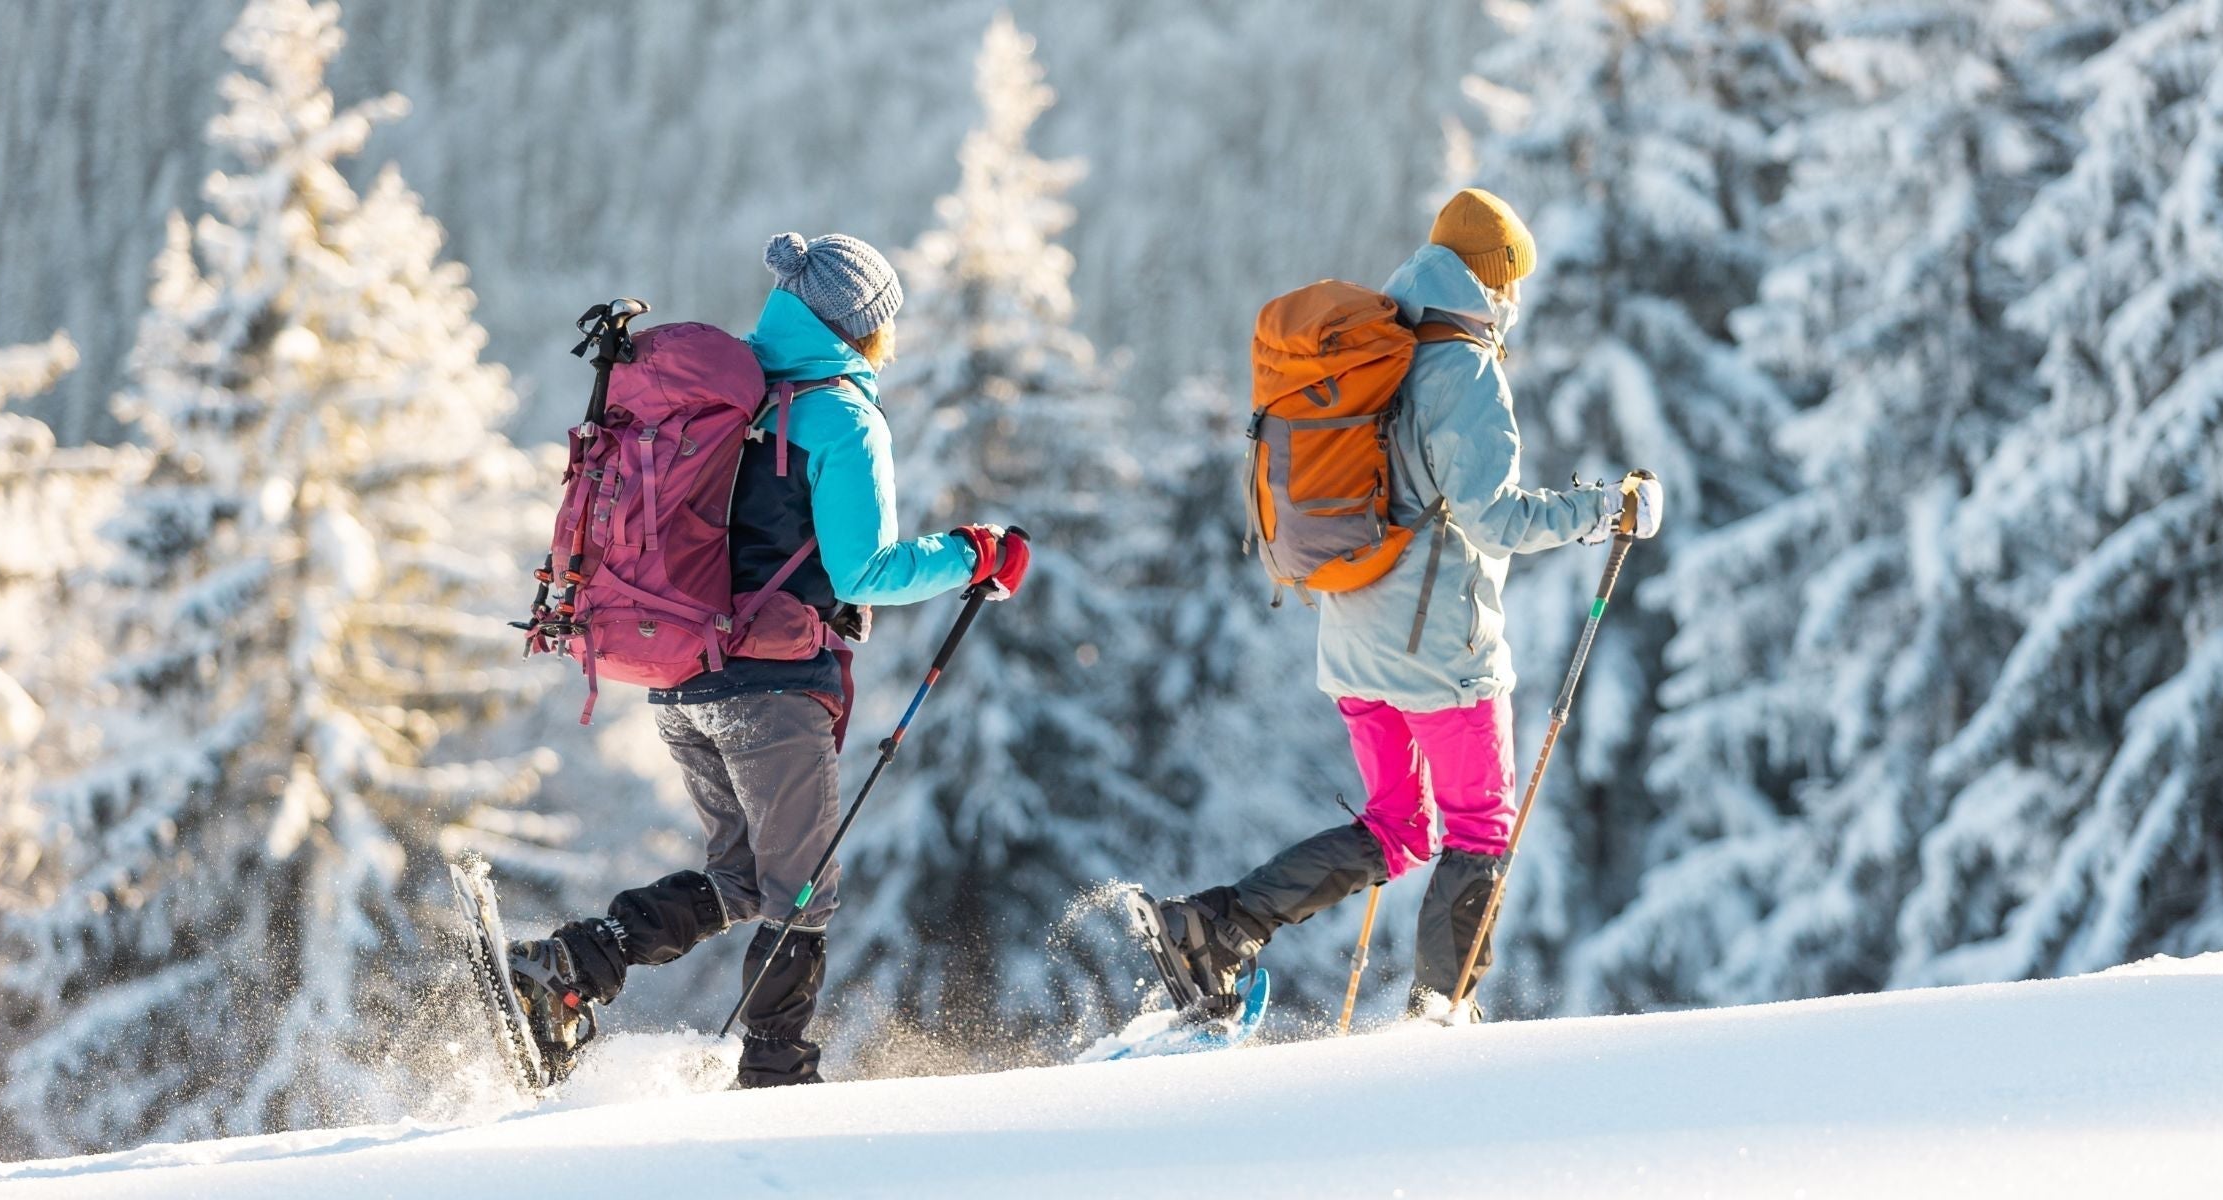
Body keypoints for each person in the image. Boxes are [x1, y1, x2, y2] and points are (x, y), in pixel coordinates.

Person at [511, 233, 1030, 1087]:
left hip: (684, 677)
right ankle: (777, 1073)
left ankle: (574, 966)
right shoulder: (841, 417)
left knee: (744, 879)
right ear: (861, 326)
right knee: (800, 893)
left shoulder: (726, 396)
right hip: (773, 685)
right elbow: (865, 569)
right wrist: (971, 558)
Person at [1143, 189, 1663, 1022]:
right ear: (1493, 281)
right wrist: (1605, 511)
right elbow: (1494, 520)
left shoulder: (1374, 343)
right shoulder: (1464, 371)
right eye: (1513, 280)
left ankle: (1220, 922)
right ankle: (1440, 1016)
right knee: (1480, 827)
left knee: (1398, 826)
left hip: (1352, 641)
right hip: (1439, 655)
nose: (1517, 300)